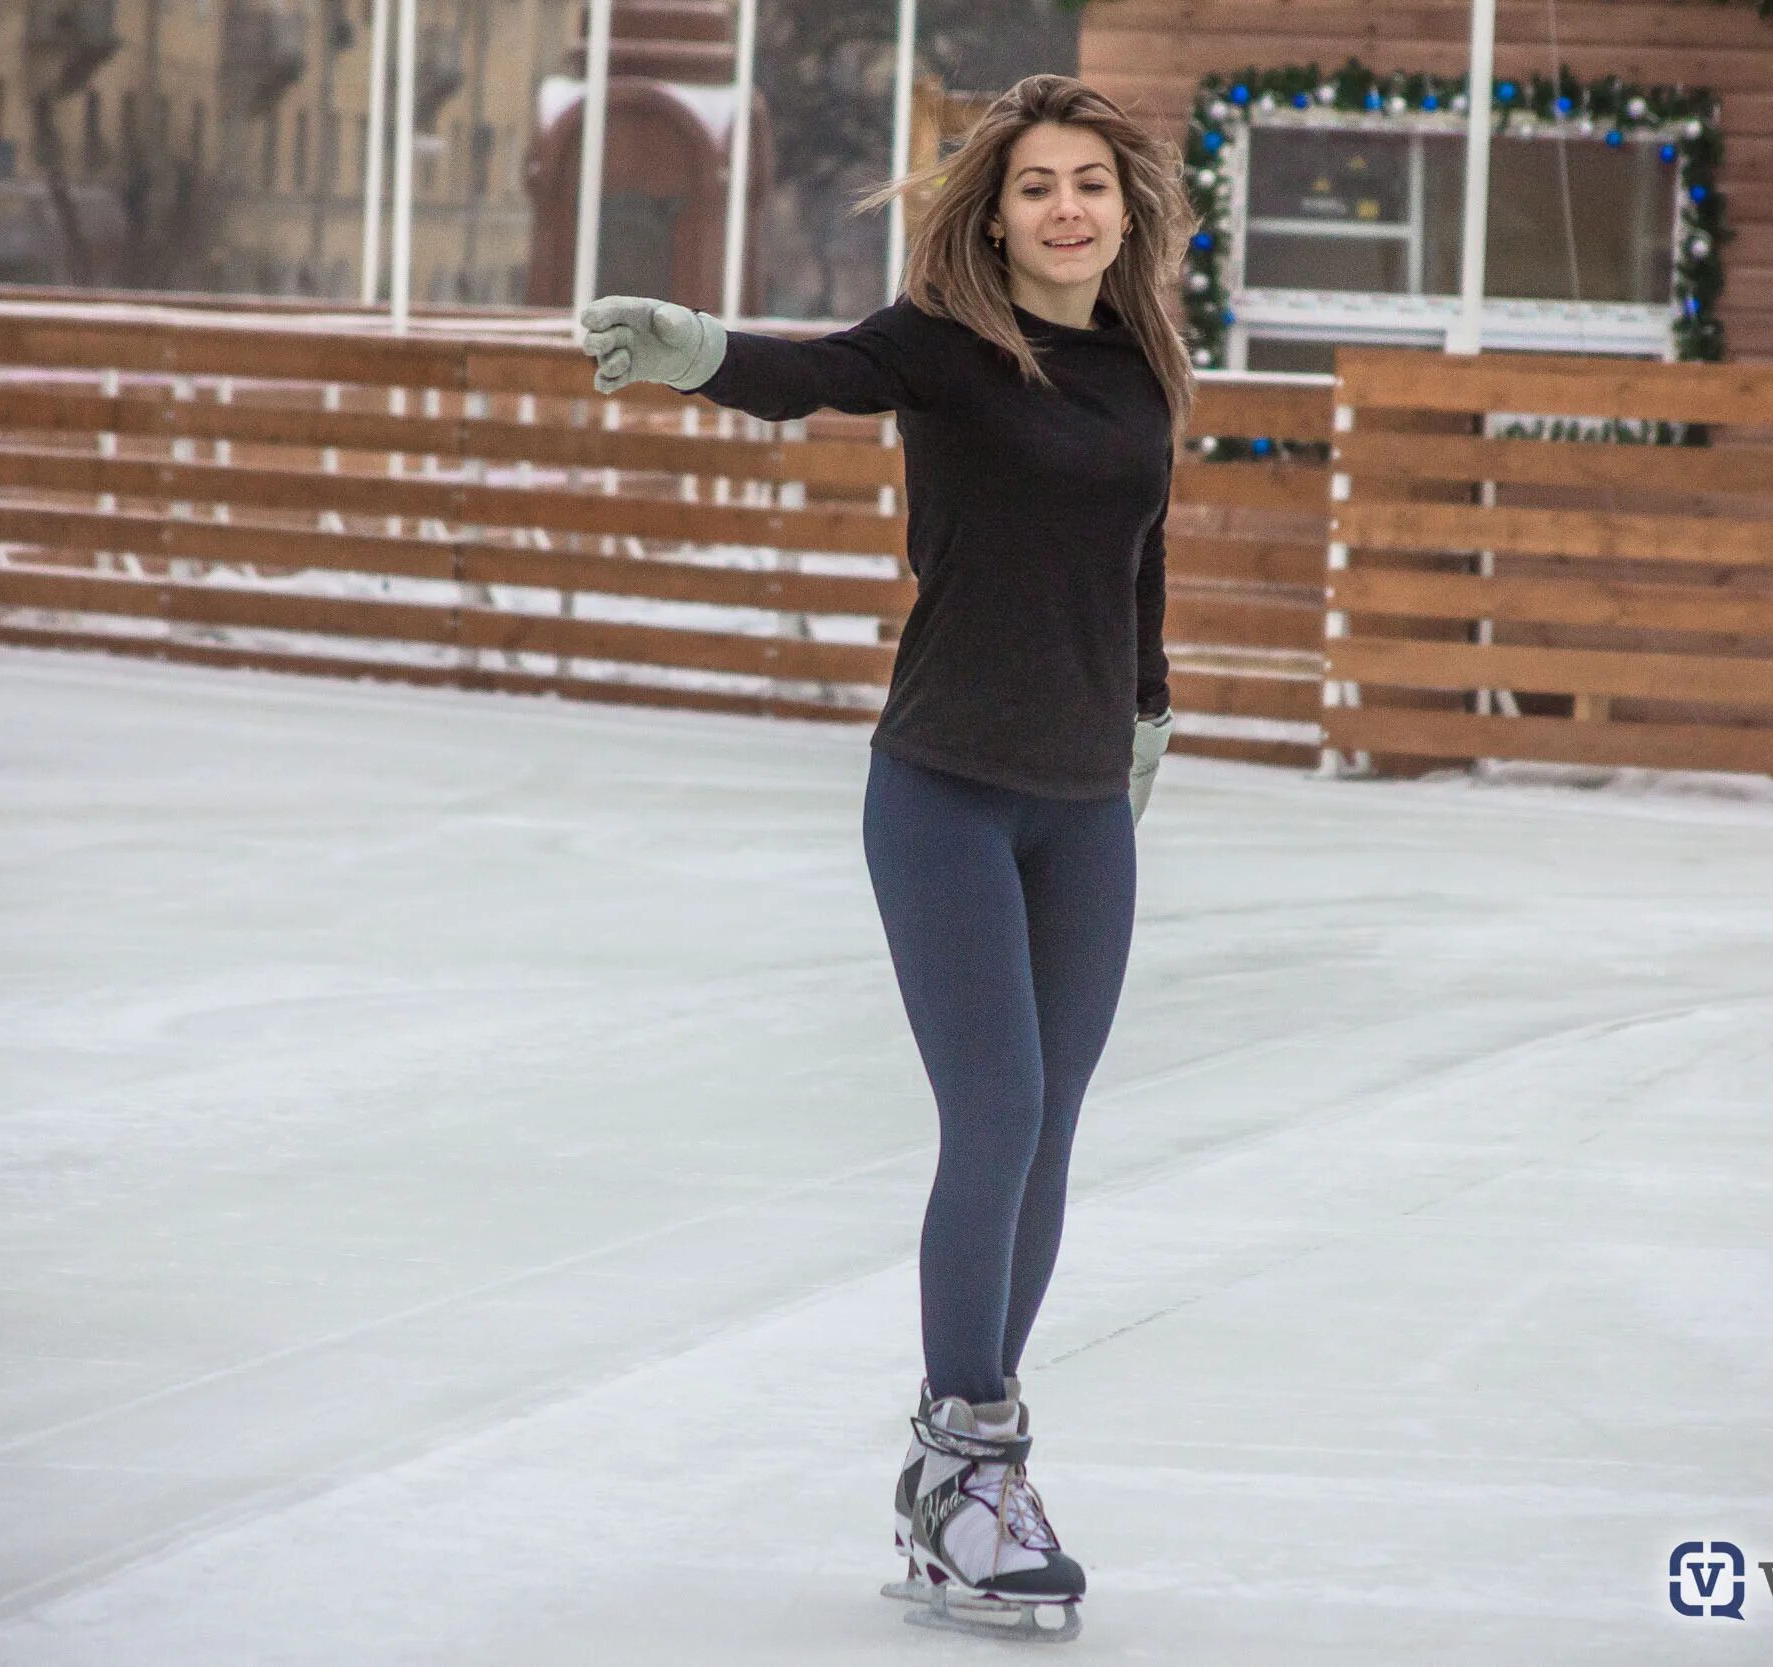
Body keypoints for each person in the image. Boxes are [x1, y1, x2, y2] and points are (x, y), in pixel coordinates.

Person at [582, 73, 1190, 1641]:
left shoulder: (1144, 367)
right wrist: (703, 354)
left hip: (1082, 803)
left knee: (1050, 1130)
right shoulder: (947, 344)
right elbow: (819, 371)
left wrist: (1148, 707)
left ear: (1126, 212)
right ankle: (967, 1470)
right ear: (995, 214)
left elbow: (1144, 552)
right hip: (943, 791)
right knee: (991, 1109)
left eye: (1091, 186)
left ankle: (963, 1481)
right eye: (1038, 185)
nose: (1066, 207)